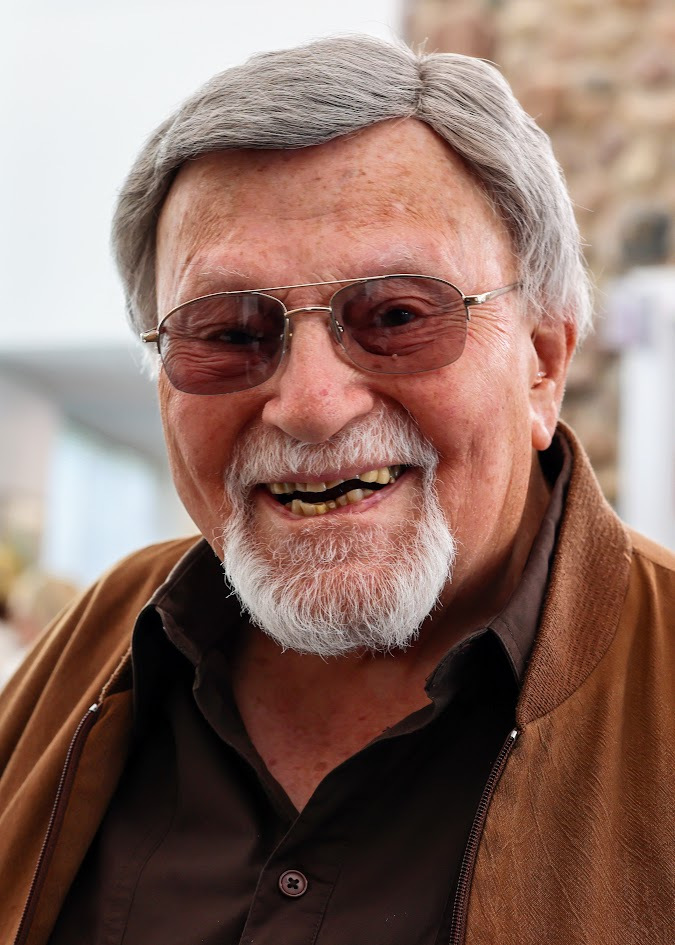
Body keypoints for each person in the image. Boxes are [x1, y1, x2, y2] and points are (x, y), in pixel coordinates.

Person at [1, 34, 673, 945]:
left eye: (396, 315)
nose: (312, 406)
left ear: (542, 365)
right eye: (229, 333)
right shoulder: (101, 644)